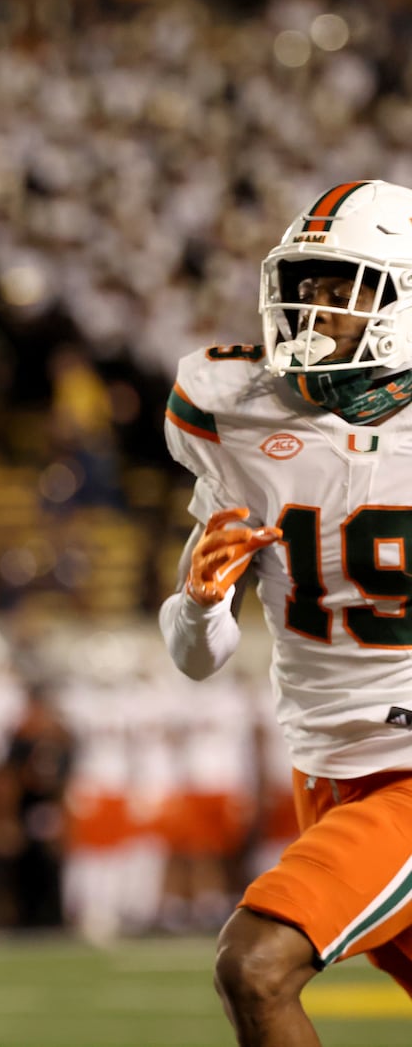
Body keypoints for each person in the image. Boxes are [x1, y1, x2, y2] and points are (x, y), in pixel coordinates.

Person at [160, 178, 412, 1045]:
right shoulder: (237, 410)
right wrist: (199, 604)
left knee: (255, 962)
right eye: (306, 282)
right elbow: (198, 656)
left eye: (345, 285)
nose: (315, 306)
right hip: (328, 770)